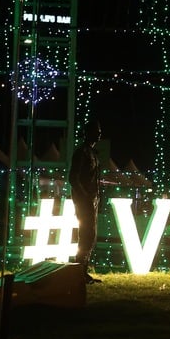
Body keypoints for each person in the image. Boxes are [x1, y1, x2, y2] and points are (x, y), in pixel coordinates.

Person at [69, 120, 102, 284]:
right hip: (85, 201)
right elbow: (73, 178)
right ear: (88, 133)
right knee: (86, 236)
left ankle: (82, 271)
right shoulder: (81, 153)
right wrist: (85, 197)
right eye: (97, 131)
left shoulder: (92, 153)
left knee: (90, 236)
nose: (99, 134)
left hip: (92, 200)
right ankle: (78, 273)